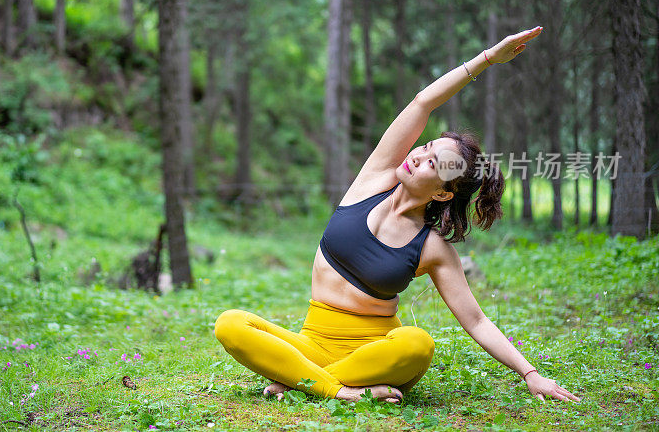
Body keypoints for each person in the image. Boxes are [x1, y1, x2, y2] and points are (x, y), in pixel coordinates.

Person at [214, 26, 581, 404]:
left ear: (442, 191)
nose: (418, 155)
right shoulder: (374, 179)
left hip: (376, 354)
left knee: (417, 344)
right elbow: (423, 103)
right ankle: (335, 389)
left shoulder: (432, 247)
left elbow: (476, 321)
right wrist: (487, 58)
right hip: (311, 343)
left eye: (433, 162)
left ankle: (301, 380)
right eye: (425, 146)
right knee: (230, 323)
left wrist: (531, 374)